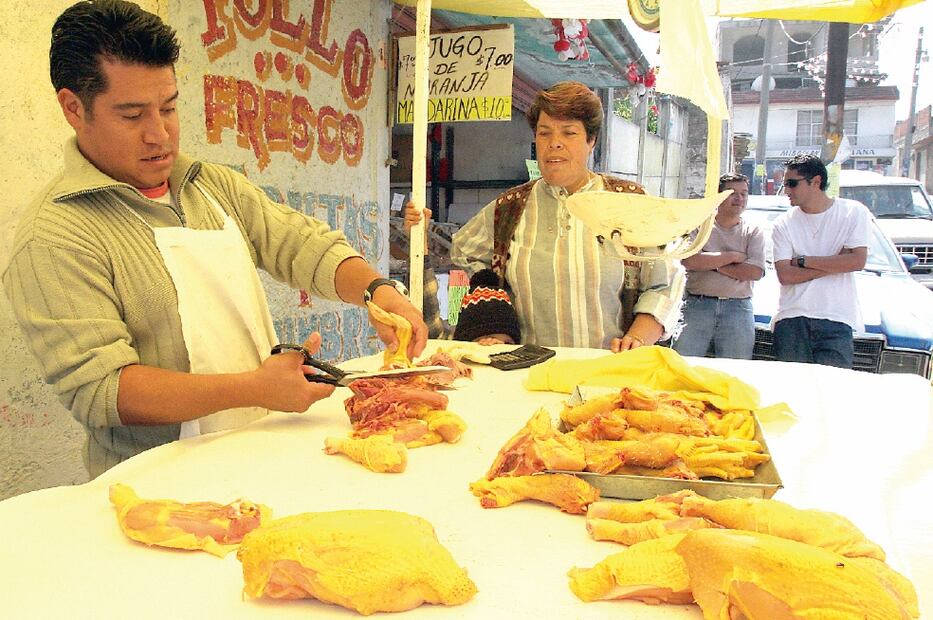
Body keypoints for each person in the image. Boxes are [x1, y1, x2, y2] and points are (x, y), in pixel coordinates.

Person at [2, 0, 427, 477]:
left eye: (168, 107)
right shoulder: (56, 236)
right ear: (73, 108)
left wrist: (379, 292)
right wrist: (255, 388)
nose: (159, 134)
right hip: (156, 487)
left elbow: (300, 243)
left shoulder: (208, 185)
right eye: (132, 115)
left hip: (255, 456)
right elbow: (102, 390)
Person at [407, 81, 683, 351]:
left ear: (591, 140)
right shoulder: (510, 208)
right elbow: (468, 256)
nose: (555, 144)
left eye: (569, 133)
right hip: (528, 376)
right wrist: (493, 321)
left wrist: (638, 338)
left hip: (607, 372)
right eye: (545, 133)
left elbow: (663, 284)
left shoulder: (628, 202)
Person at [770, 154, 871, 368]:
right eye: (784, 184)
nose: (786, 190)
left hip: (836, 317)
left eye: (792, 183)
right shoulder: (783, 223)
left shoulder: (852, 212)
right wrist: (836, 263)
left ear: (816, 182)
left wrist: (803, 261)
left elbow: (857, 261)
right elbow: (786, 275)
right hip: (792, 316)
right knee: (791, 391)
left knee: (831, 392)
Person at [673, 173, 765, 359]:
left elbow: (754, 272)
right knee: (684, 364)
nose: (739, 199)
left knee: (735, 370)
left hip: (738, 308)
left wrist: (712, 264)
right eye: (733, 193)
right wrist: (732, 257)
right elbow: (689, 261)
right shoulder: (699, 227)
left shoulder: (753, 231)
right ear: (718, 195)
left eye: (744, 193)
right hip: (697, 305)